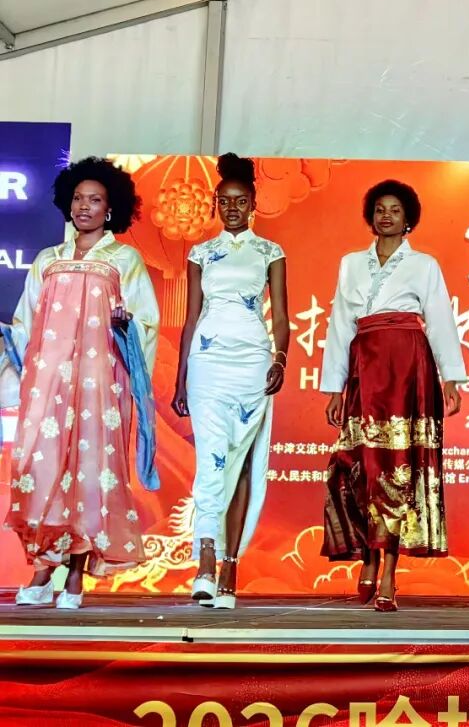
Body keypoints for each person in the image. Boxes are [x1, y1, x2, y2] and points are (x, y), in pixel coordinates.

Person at [5, 157, 160, 610]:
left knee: (90, 473)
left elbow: (147, 322)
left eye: (95, 200)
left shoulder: (123, 260)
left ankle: (75, 574)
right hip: (48, 383)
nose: (84, 207)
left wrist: (126, 324)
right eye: (78, 199)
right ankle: (41, 568)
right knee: (40, 467)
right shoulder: (48, 260)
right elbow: (24, 323)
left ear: (111, 209)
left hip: (99, 385)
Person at [320, 179, 466, 612]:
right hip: (364, 369)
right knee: (359, 466)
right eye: (380, 209)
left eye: (395, 210)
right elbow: (339, 325)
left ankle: (387, 572)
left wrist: (450, 378)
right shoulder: (351, 263)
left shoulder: (423, 265)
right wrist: (335, 387)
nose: (386, 216)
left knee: (400, 469)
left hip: (407, 370)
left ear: (408, 220)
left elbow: (440, 320)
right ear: (371, 216)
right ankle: (367, 555)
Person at [171, 154, 289, 610]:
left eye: (241, 201)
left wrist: (280, 359)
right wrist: (181, 379)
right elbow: (191, 317)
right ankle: (204, 560)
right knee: (211, 459)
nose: (233, 208)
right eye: (225, 201)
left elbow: (281, 316)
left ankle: (230, 567)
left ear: (253, 204)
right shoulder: (200, 253)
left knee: (241, 464)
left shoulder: (270, 252)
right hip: (208, 362)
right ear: (215, 205)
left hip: (253, 362)